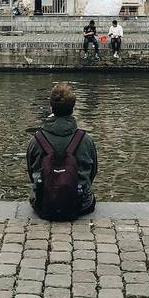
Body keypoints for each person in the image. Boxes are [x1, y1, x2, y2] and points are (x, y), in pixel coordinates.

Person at [27, 82, 97, 220]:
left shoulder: (36, 140)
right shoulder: (86, 140)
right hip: (80, 204)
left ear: (51, 107)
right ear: (73, 108)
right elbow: (92, 172)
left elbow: (31, 172)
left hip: (43, 203)